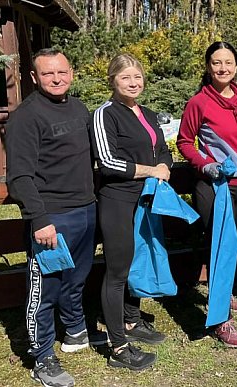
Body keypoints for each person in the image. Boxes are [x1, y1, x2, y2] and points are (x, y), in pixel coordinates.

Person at [6, 48, 99, 387]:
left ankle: (75, 332)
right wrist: (39, 218)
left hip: (86, 210)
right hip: (52, 218)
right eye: (48, 74)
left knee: (76, 280)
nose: (57, 79)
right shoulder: (26, 117)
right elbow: (19, 177)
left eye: (62, 71)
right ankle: (42, 355)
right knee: (45, 289)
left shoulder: (79, 108)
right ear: (34, 78)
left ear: (71, 72)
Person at [92, 54, 172, 370]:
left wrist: (163, 165)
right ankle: (118, 349)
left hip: (146, 202)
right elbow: (108, 162)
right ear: (113, 80)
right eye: (126, 77)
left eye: (137, 76)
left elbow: (163, 150)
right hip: (117, 201)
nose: (133, 83)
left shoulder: (149, 114)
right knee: (117, 272)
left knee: (137, 260)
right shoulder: (105, 115)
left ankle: (130, 320)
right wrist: (152, 171)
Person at [177, 41, 237, 347]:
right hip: (215, 187)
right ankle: (222, 319)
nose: (222, 68)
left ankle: (224, 292)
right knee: (219, 247)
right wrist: (206, 164)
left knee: (231, 245)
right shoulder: (199, 102)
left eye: (228, 62)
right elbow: (185, 141)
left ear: (236, 67)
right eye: (216, 62)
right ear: (208, 66)